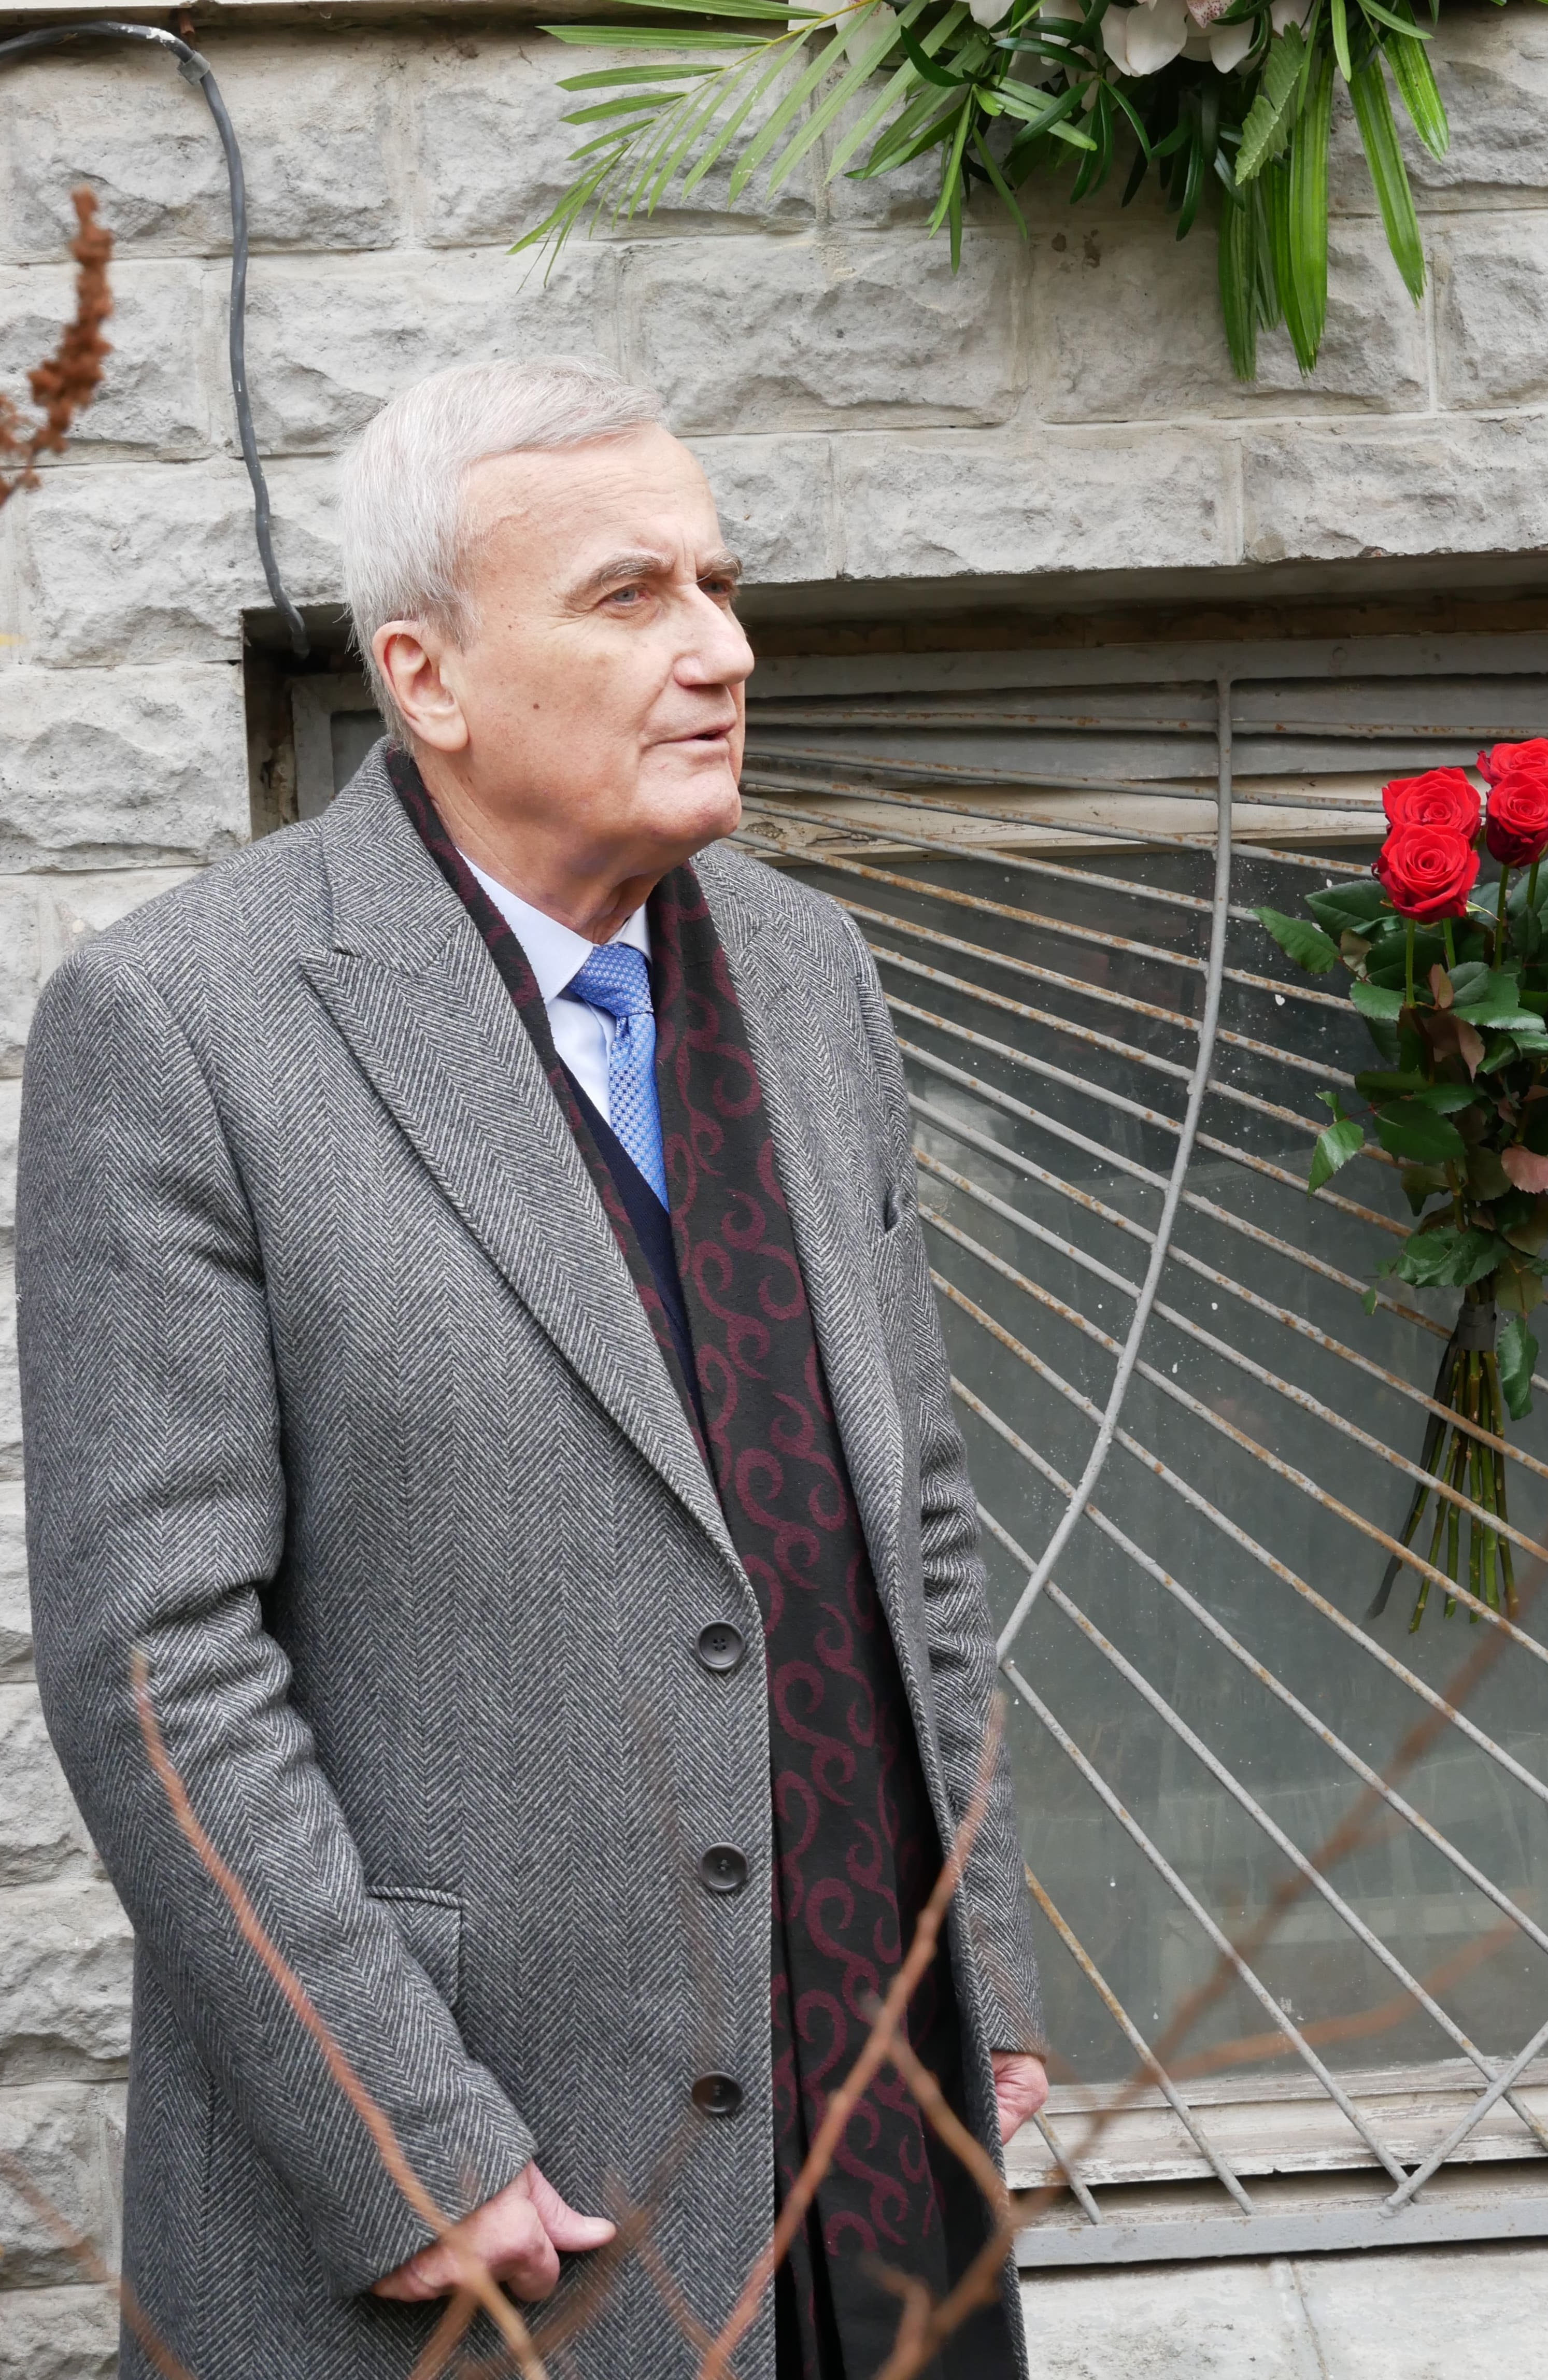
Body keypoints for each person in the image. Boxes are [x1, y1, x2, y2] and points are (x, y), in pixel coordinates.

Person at [18, 358, 1048, 2380]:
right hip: (485, 2198)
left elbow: (910, 1510)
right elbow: (156, 1664)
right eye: (628, 596)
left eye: (719, 585)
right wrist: (400, 2135)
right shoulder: (182, 1023)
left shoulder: (810, 971)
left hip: (876, 2132)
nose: (721, 650)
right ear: (427, 676)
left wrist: (979, 1973)